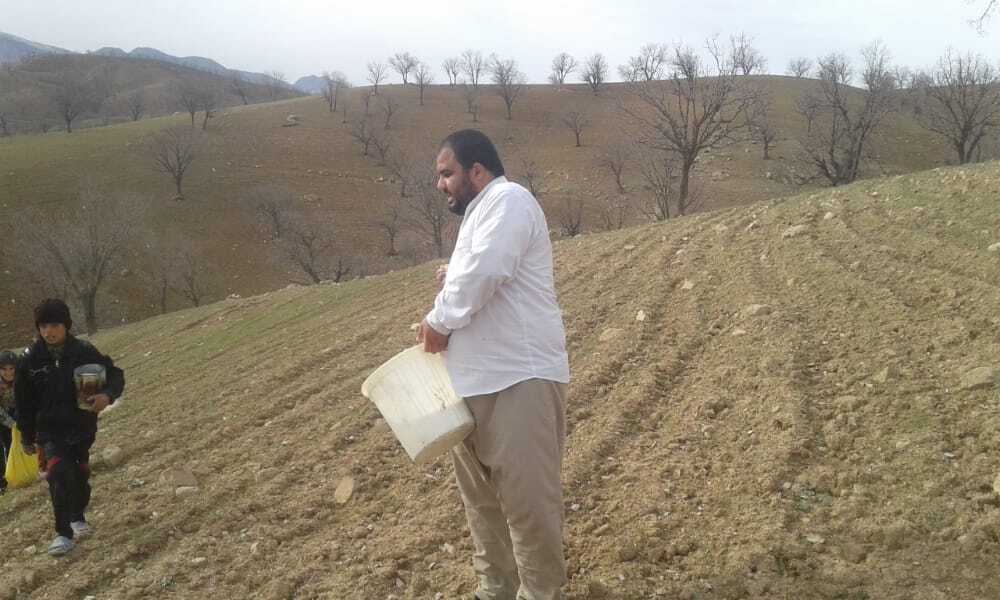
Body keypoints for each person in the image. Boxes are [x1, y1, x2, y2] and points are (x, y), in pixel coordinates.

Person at [417, 129, 571, 600]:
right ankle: (495, 591)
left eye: (447, 173)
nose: (441, 184)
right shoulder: (479, 218)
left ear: (477, 171)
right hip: (474, 384)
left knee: (528, 506)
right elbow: (478, 271)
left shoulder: (509, 200)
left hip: (518, 379)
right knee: (482, 507)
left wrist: (439, 321)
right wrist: (450, 281)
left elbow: (487, 270)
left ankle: (541, 594)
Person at [15, 299, 125, 556]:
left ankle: (78, 513)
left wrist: (106, 396)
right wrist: (27, 436)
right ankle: (63, 533)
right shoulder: (30, 360)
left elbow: (115, 374)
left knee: (79, 475)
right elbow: (23, 402)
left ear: (66, 325)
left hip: (82, 426)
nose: (48, 331)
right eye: (43, 326)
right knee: (58, 472)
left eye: (54, 324)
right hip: (49, 430)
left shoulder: (84, 351)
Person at [0, 350, 17, 494]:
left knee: (16, 444)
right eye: (4, 369)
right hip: (2, 417)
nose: (8, 372)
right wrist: (12, 423)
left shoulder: (21, 380)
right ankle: (2, 483)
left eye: (11, 368)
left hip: (14, 413)